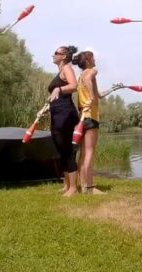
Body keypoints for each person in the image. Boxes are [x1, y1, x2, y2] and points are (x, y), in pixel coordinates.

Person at [48, 45, 80, 197]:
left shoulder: (67, 68)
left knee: (67, 150)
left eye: (56, 53)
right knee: (60, 149)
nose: (53, 55)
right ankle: (67, 184)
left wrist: (59, 89)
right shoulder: (60, 72)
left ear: (64, 56)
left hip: (66, 114)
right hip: (57, 114)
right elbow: (55, 95)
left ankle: (73, 188)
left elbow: (74, 86)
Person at [73, 50, 106, 195]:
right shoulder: (91, 71)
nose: (95, 60)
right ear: (87, 61)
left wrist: (114, 88)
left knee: (83, 154)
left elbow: (99, 95)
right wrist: (92, 98)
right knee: (89, 152)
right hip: (90, 117)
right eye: (92, 57)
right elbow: (92, 91)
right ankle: (90, 188)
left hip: (82, 117)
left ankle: (84, 186)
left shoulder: (81, 76)